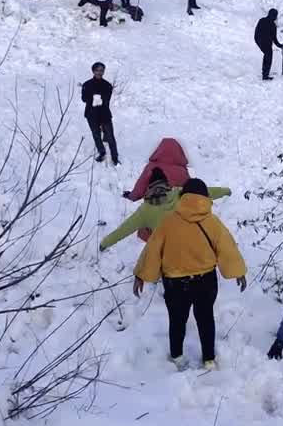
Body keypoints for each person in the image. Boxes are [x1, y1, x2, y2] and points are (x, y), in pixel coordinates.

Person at [134, 178, 247, 370]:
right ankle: (209, 359)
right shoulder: (212, 223)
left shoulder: (168, 223)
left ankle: (177, 356)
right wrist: (238, 272)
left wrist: (141, 275)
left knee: (177, 321)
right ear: (205, 197)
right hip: (205, 282)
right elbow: (227, 247)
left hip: (175, 284)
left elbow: (152, 249)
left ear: (182, 196)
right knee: (205, 319)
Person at [101, 168, 232, 249]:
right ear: (167, 183)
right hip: (191, 242)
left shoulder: (145, 210)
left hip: (167, 250)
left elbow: (124, 229)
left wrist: (105, 243)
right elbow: (208, 191)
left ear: (149, 187)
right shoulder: (181, 193)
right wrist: (226, 191)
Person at [81, 62, 119, 164]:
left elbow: (107, 100)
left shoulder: (107, 85)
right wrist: (92, 97)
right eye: (97, 70)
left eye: (101, 70)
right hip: (91, 114)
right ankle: (102, 152)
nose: (99, 72)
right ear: (93, 71)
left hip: (104, 114)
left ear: (103, 72)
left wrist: (101, 99)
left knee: (110, 136)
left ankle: (115, 157)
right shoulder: (86, 85)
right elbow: (84, 99)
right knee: (96, 135)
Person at [254, 8, 283, 80]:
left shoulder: (262, 20)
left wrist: (257, 40)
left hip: (259, 40)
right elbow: (274, 39)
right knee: (268, 56)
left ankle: (265, 73)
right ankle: (265, 75)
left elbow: (256, 31)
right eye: (276, 16)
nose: (276, 17)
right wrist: (279, 45)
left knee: (267, 55)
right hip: (265, 43)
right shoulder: (273, 25)